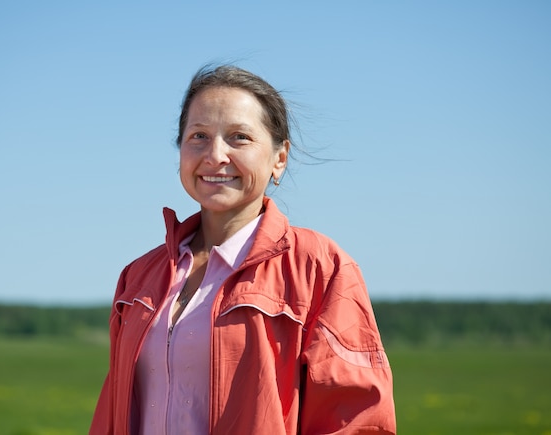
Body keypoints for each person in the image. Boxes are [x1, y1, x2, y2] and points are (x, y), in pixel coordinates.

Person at [90, 65, 396, 434]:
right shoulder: (138, 277)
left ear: (279, 158)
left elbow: (355, 419)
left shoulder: (320, 267)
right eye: (198, 136)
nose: (215, 155)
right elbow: (112, 414)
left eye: (239, 137)